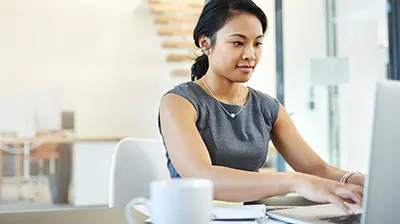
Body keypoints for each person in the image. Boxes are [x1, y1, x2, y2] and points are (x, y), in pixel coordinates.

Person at [158, 0, 365, 215]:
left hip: (253, 217)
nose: (251, 55)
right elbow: (201, 176)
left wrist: (357, 181)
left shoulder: (268, 107)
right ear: (205, 43)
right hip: (193, 216)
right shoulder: (179, 101)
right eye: (238, 43)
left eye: (257, 43)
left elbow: (316, 169)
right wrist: (294, 181)